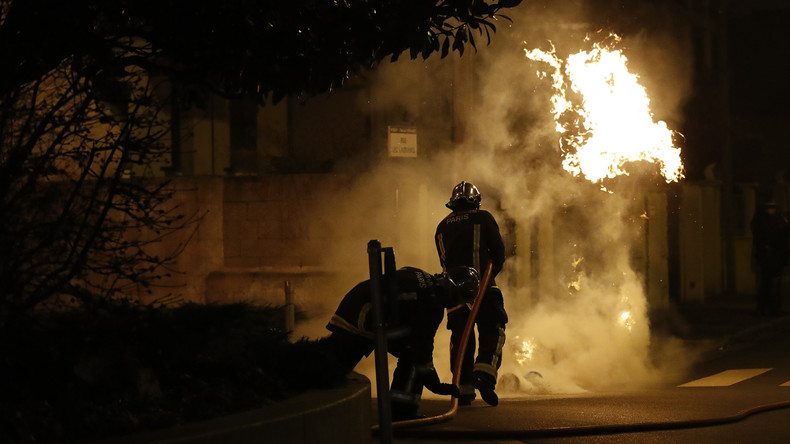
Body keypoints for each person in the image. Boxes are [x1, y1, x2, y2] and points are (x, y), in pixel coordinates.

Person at [322, 265, 480, 421]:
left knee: (331, 367)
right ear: (454, 293)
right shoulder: (432, 305)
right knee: (414, 358)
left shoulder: (420, 275)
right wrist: (437, 386)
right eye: (460, 300)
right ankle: (402, 411)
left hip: (356, 309)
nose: (456, 304)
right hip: (363, 320)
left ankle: (400, 410)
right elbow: (422, 352)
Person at [434, 181, 507, 407]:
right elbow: (499, 253)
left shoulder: (441, 227)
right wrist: (488, 277)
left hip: (454, 291)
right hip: (483, 287)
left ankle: (462, 389)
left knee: (460, 338)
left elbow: (444, 261)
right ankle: (484, 375)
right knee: (493, 329)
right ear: (476, 201)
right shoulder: (483, 218)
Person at [751, 200, 790, 315]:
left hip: (776, 256)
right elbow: (759, 237)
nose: (772, 210)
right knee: (766, 283)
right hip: (766, 256)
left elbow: (784, 235)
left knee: (775, 283)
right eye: (769, 208)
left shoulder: (779, 220)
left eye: (773, 208)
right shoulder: (760, 220)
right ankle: (763, 308)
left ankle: (773, 308)